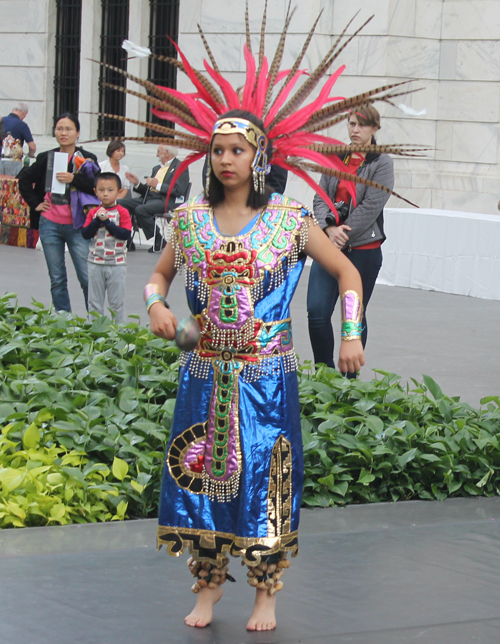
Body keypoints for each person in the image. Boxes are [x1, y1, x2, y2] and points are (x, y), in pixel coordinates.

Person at [146, 109, 365, 632]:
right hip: (202, 371)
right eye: (218, 150)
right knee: (198, 476)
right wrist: (156, 304)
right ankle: (209, 583)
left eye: (237, 150)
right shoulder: (190, 220)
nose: (226, 159)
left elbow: (346, 272)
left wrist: (352, 333)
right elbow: (159, 274)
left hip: (266, 378)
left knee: (268, 478)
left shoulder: (290, 220)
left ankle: (265, 594)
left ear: (259, 156)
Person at [307, 105, 394, 377]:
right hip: (329, 246)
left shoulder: (382, 162)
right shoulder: (336, 156)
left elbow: (372, 206)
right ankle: (325, 376)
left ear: (375, 129)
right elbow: (320, 196)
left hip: (363, 251)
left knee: (352, 315)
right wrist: (328, 228)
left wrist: (342, 233)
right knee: (317, 313)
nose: (355, 130)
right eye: (352, 124)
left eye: (362, 125)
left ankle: (350, 380)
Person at [17, 113, 98, 311]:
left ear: (77, 133)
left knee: (87, 277)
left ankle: (96, 320)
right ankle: (63, 320)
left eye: (68, 129)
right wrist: (36, 203)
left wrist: (74, 179)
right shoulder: (47, 157)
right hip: (50, 224)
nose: (63, 133)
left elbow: (97, 186)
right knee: (57, 278)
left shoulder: (87, 159)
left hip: (77, 225)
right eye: (59, 128)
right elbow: (24, 179)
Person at [118, 144, 189, 252]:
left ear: (167, 153)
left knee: (141, 210)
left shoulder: (180, 167)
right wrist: (137, 183)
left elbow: (178, 190)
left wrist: (157, 185)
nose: (157, 155)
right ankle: (127, 240)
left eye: (159, 152)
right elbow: (148, 191)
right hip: (149, 199)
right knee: (120, 204)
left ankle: (159, 239)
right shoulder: (156, 168)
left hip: (165, 200)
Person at [82, 173, 132, 323]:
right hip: (95, 262)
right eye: (101, 190)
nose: (105, 194)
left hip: (116, 263)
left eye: (110, 190)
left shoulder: (122, 212)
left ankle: (118, 333)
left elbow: (124, 234)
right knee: (94, 302)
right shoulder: (93, 212)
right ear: (95, 191)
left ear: (119, 191)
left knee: (117, 303)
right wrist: (97, 220)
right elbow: (86, 233)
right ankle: (96, 331)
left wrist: (108, 222)